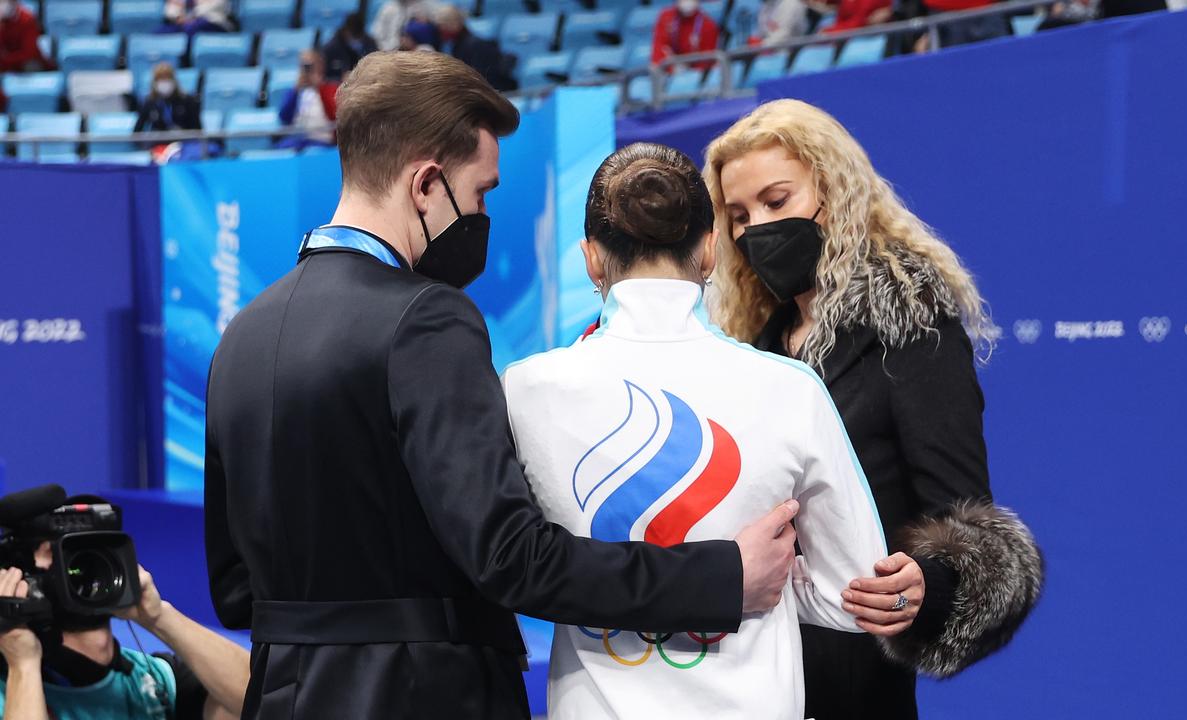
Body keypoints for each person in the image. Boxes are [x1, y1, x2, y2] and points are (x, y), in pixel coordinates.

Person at [203, 51, 798, 720]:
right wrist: (720, 578)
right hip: (423, 696)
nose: (482, 213)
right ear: (427, 182)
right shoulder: (426, 316)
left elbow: (232, 588)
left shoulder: (240, 336)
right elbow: (510, 558)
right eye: (480, 191)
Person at [502, 143, 887, 719]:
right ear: (710, 252)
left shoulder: (526, 388)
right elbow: (856, 591)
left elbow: (507, 563)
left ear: (591, 261)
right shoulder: (790, 388)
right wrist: (762, 579)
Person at [705, 99, 1044, 719]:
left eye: (777, 201)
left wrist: (925, 586)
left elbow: (968, 519)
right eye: (738, 215)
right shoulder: (753, 348)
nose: (755, 228)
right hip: (750, 668)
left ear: (833, 193)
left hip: (852, 673)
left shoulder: (910, 327)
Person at [0, 522, 250, 718]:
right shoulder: (11, 691)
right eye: (55, 554)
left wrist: (159, 617)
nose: (83, 573)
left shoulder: (152, 680)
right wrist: (23, 664)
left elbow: (262, 702)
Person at [432, 4, 516, 91]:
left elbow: (483, 79)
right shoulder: (456, 45)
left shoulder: (476, 44)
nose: (441, 30)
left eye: (443, 25)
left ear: (455, 23)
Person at [276, 49, 337, 148]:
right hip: (298, 139)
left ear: (320, 66)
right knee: (281, 148)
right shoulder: (294, 91)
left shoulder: (330, 89)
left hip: (322, 139)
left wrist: (319, 87)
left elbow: (334, 115)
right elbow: (284, 117)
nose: (307, 70)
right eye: (304, 66)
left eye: (310, 66)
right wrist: (296, 91)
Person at [134, 62, 202, 133]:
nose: (164, 83)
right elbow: (137, 132)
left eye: (167, 79)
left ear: (174, 81)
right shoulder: (149, 102)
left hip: (184, 142)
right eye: (161, 79)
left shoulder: (188, 100)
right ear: (154, 83)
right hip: (159, 142)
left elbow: (197, 131)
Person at [651, 0, 720, 70]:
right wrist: (674, 68)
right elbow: (657, 55)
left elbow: (707, 62)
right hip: (670, 72)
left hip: (694, 74)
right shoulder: (666, 17)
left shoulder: (708, 25)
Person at [321, 13, 375, 81]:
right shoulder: (330, 48)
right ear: (346, 31)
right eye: (353, 35)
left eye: (359, 36)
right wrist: (340, 78)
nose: (356, 40)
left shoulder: (370, 44)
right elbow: (322, 76)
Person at [0, 1, 48, 73]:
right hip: (7, 62)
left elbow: (29, 53)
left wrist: (6, 60)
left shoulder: (27, 18)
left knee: (30, 65)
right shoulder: (2, 22)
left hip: (26, 62)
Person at [372, 0, 437, 51]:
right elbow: (378, 35)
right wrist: (399, 43)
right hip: (390, 51)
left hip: (414, 49)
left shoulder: (422, 6)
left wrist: (427, 20)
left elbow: (438, 19)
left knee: (427, 49)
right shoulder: (388, 9)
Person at [160, 0, 234, 35]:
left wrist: (190, 7)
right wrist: (178, 16)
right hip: (182, 22)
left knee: (191, 28)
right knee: (160, 32)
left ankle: (186, 62)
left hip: (213, 23)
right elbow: (171, 9)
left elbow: (217, 6)